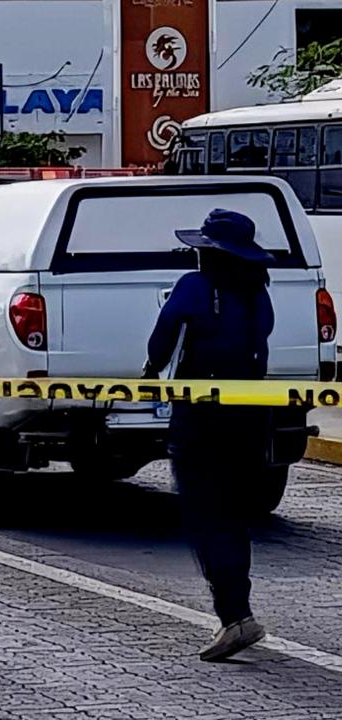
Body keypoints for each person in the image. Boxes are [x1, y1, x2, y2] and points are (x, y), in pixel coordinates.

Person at [144, 208, 275, 662]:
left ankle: (236, 616)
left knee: (207, 514)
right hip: (251, 415)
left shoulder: (194, 287)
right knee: (235, 514)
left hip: (201, 419)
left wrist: (152, 369)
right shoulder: (259, 292)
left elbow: (159, 344)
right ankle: (238, 609)